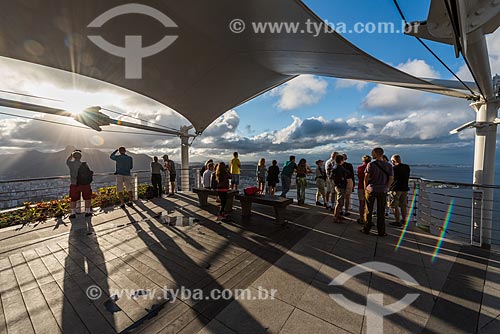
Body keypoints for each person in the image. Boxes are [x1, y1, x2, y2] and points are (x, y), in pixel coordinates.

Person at [362, 147, 394, 236]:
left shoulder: (371, 165)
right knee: (381, 211)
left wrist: (365, 188)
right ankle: (381, 231)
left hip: (371, 189)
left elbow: (366, 178)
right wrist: (386, 187)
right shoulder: (388, 165)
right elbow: (391, 178)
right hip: (382, 190)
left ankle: (366, 229)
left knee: (369, 210)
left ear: (375, 154)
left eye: (373, 153)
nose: (372, 154)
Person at [66, 150, 92, 218]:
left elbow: (67, 160)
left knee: (73, 199)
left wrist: (72, 154)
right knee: (87, 198)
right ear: (81, 157)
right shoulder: (84, 164)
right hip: (85, 184)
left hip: (74, 184)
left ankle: (73, 213)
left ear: (73, 157)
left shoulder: (70, 164)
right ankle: (88, 212)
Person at [389, 154, 411, 227]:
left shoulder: (394, 168)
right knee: (403, 205)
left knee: (394, 205)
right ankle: (404, 220)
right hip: (405, 188)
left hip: (395, 189)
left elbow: (391, 178)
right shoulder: (406, 167)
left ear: (393, 161)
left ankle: (397, 221)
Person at [331, 155, 347, 223]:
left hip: (337, 185)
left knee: (340, 201)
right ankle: (335, 217)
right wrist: (343, 179)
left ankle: (338, 215)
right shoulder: (339, 167)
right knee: (339, 202)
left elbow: (332, 176)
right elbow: (341, 176)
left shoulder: (334, 166)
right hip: (341, 186)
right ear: (341, 160)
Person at [356, 155, 371, 225]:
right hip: (370, 188)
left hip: (361, 187)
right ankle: (368, 219)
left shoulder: (359, 168)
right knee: (369, 204)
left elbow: (359, 177)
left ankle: (361, 218)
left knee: (361, 204)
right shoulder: (372, 168)